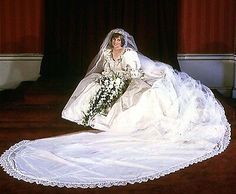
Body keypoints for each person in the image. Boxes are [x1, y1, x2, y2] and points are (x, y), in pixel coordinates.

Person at [0, 28, 231, 188]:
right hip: (117, 79)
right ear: (111, 42)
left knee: (140, 96)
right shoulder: (108, 53)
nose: (117, 43)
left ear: (124, 42)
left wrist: (122, 81)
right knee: (92, 85)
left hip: (139, 75)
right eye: (114, 41)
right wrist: (108, 80)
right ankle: (92, 113)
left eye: (119, 41)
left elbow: (134, 73)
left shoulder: (131, 55)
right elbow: (107, 70)